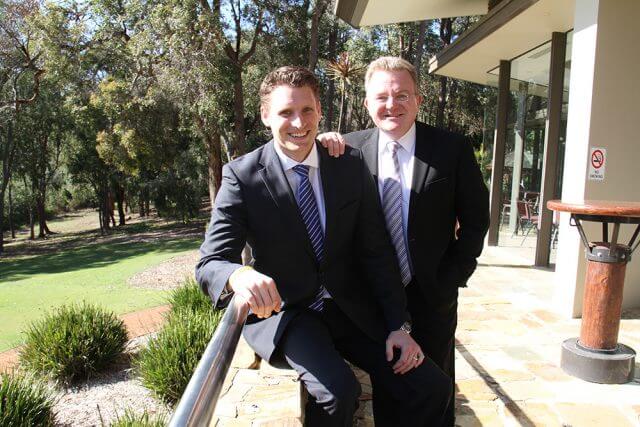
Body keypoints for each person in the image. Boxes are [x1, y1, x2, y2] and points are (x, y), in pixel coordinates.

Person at [196, 66, 452, 427]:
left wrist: (399, 325)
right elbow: (210, 261)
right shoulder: (243, 175)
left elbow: (376, 252)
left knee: (432, 386)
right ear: (266, 115)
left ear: (320, 112)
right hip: (289, 313)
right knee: (338, 392)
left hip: (350, 309)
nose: (298, 122)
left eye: (307, 110)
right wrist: (238, 274)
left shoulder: (347, 163)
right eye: (286, 112)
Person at [319, 56, 490, 426]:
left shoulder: (451, 149)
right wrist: (320, 142)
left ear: (418, 100)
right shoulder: (345, 151)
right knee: (391, 382)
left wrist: (454, 276)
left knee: (437, 384)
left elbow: (477, 221)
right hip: (374, 298)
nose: (391, 105)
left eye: (402, 95)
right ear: (366, 103)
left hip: (432, 294)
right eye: (381, 96)